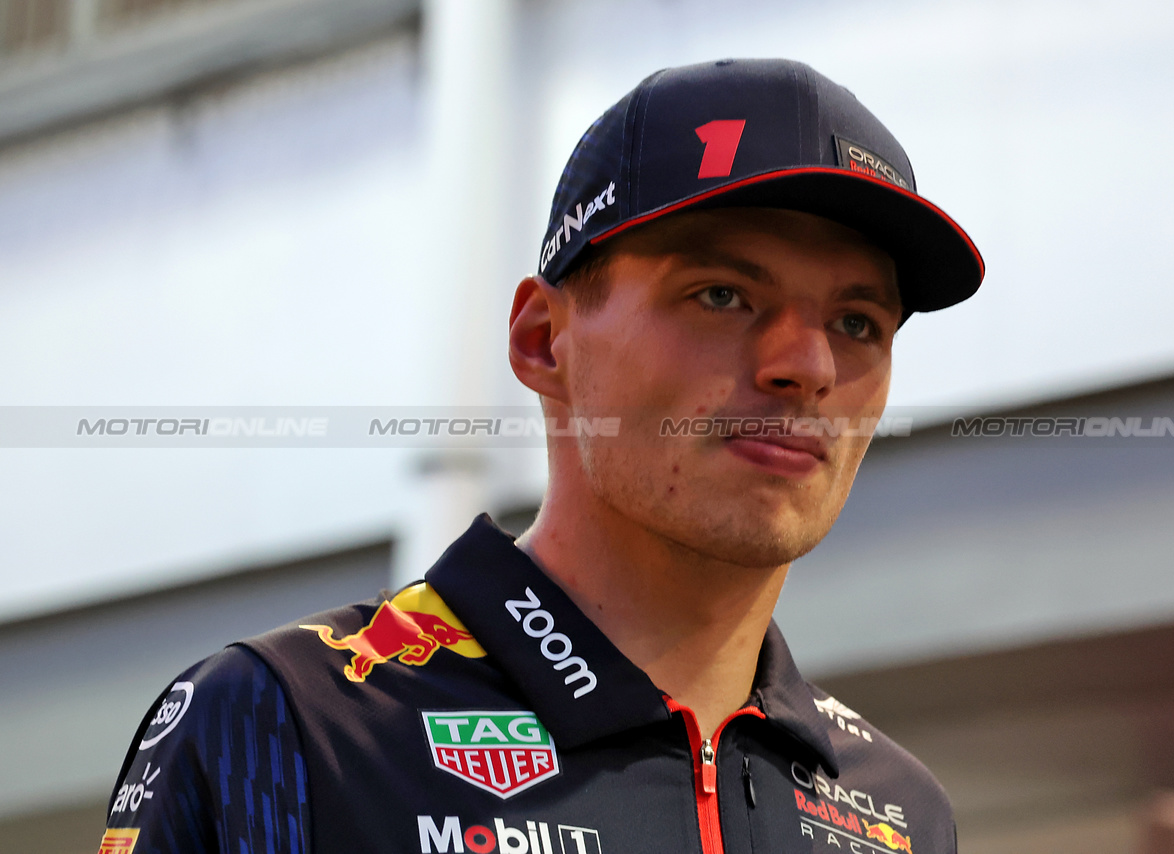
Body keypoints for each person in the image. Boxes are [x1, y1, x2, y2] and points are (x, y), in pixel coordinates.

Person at [100, 58, 983, 854]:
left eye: (857, 323)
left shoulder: (899, 813)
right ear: (541, 340)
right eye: (722, 294)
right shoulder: (294, 721)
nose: (808, 367)